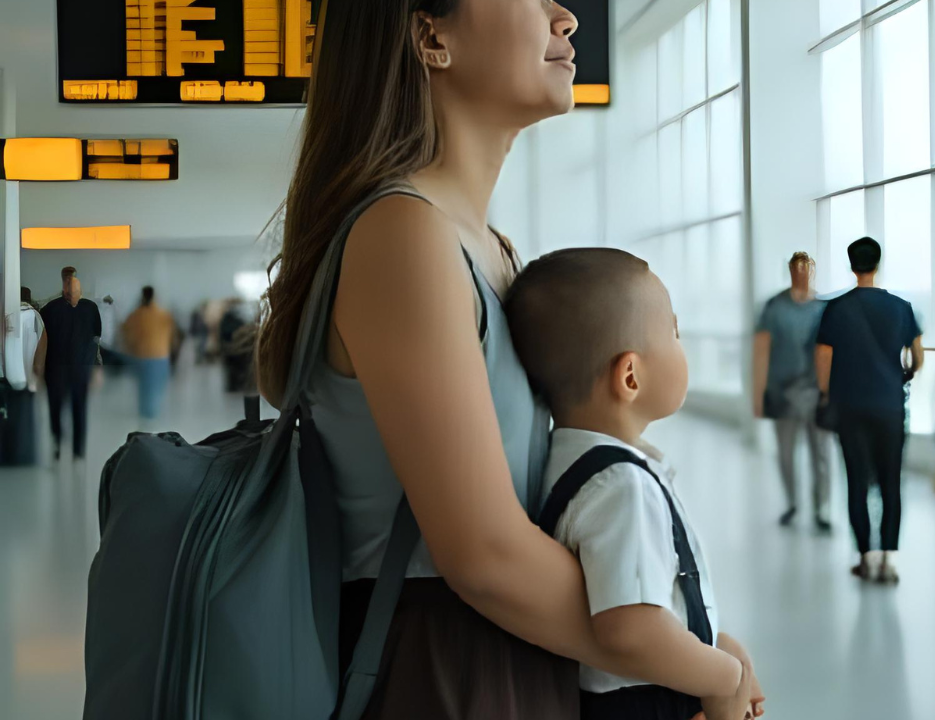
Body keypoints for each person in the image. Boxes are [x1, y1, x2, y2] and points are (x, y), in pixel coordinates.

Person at [252, 2, 758, 718]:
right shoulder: (404, 235)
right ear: (431, 36)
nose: (566, 17)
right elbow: (485, 555)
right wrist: (697, 663)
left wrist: (688, 641)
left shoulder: (490, 250)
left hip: (507, 658)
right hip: (446, 674)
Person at [506, 248, 764, 720]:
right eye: (674, 333)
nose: (682, 344)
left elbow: (641, 599)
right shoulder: (621, 486)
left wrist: (714, 641)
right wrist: (726, 677)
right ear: (630, 376)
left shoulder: (567, 464)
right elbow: (631, 630)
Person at [815, 237, 924, 583]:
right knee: (891, 483)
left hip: (849, 406)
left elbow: (823, 356)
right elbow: (917, 356)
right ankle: (889, 560)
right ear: (877, 264)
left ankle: (867, 556)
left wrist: (825, 394)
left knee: (857, 482)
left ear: (852, 265)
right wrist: (903, 373)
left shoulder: (836, 308)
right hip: (890, 406)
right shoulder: (901, 307)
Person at [753, 252, 832, 530]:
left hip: (816, 391)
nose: (801, 273)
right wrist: (758, 394)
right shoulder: (774, 307)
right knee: (786, 453)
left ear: (813, 271)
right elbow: (761, 350)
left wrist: (830, 390)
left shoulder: (824, 307)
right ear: (789, 271)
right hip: (781, 391)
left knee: (821, 453)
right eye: (796, 268)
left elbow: (831, 352)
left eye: (806, 268)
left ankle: (821, 508)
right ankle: (792, 504)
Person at [40, 274, 102, 461]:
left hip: (73, 369)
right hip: (60, 368)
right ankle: (63, 446)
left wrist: (95, 368)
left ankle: (73, 448)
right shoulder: (50, 309)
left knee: (75, 408)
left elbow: (95, 340)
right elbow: (42, 342)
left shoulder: (89, 308)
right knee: (61, 409)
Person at [0, 288, 47, 466]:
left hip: (3, 380)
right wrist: (38, 379)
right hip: (26, 381)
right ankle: (21, 459)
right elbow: (39, 361)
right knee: (23, 426)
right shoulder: (35, 317)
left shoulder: (4, 316)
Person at [122, 286, 177, 420]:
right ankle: (152, 413)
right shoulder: (163, 314)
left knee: (144, 387)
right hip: (160, 356)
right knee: (157, 387)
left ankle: (145, 413)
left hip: (141, 356)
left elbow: (126, 333)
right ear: (154, 297)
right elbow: (172, 335)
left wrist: (131, 349)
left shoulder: (135, 315)